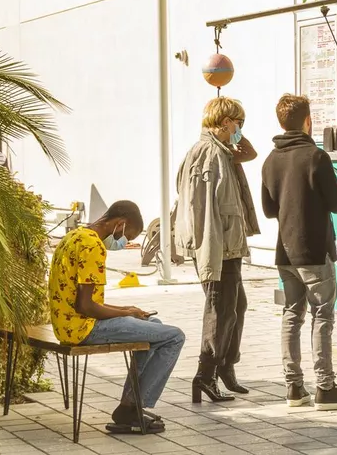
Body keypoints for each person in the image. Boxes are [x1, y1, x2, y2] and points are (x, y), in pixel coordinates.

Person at [261, 94, 337, 411]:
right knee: (322, 316)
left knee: (292, 315)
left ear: (281, 122)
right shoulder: (316, 157)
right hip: (314, 251)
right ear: (308, 121)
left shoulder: (270, 160)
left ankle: (294, 388)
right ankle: (326, 387)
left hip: (285, 253)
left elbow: (268, 210)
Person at [48, 200, 185, 434]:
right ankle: (133, 406)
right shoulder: (94, 246)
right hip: (84, 328)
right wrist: (126, 313)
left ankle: (129, 407)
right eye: (127, 237)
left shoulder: (75, 236)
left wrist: (126, 310)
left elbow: (82, 300)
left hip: (67, 323)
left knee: (153, 324)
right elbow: (86, 306)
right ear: (121, 224)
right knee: (174, 337)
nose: (124, 243)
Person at [174, 96, 260, 404]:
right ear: (225, 123)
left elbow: (249, 154)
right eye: (238, 124)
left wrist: (238, 136)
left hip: (228, 245)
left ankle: (224, 365)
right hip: (218, 246)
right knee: (219, 310)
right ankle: (205, 373)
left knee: (236, 306)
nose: (241, 129)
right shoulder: (209, 155)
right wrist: (209, 250)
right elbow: (202, 209)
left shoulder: (223, 151)